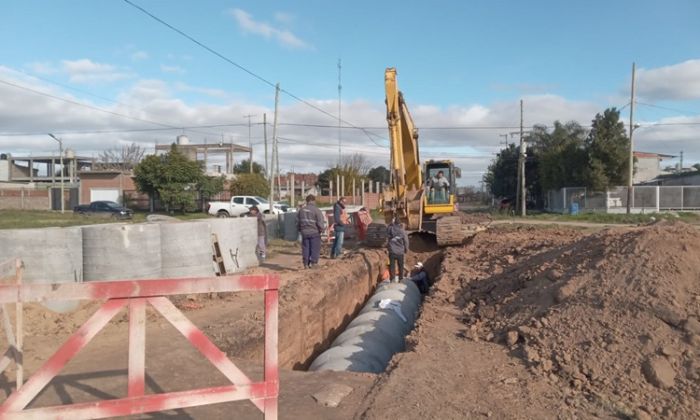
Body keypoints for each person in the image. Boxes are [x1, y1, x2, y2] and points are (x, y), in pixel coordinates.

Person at [297, 194, 325, 268]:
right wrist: (322, 229)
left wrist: (300, 229)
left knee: (306, 248)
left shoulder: (301, 210)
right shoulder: (316, 210)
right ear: (313, 201)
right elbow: (320, 222)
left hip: (304, 232)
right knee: (314, 248)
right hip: (314, 232)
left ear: (307, 201)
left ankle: (306, 263)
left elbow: (297, 222)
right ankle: (314, 263)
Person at [386, 217, 409, 283]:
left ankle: (392, 279)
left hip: (392, 251)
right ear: (400, 223)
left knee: (392, 266)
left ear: (394, 222)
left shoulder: (390, 229)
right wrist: (406, 249)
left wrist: (391, 223)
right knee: (400, 266)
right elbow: (406, 241)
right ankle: (400, 278)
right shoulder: (402, 231)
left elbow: (386, 230)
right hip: (400, 252)